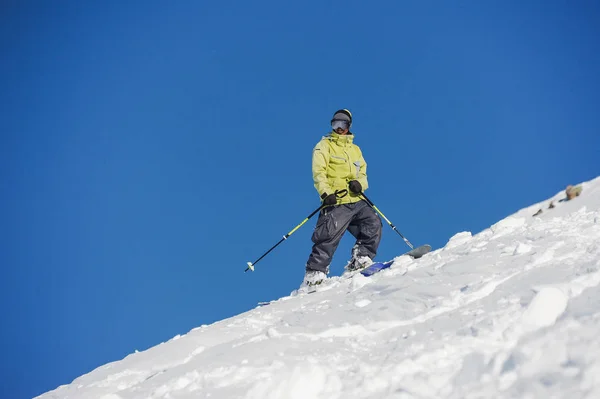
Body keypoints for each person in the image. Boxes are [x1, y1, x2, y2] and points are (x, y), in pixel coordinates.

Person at [302, 109, 383, 286]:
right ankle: (314, 274)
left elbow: (362, 171)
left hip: (356, 199)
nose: (339, 128)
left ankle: (360, 259)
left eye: (343, 124)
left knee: (373, 224)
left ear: (349, 126)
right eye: (335, 124)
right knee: (328, 235)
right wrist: (326, 193)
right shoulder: (324, 145)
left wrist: (360, 184)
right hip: (336, 200)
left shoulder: (355, 149)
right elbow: (319, 172)